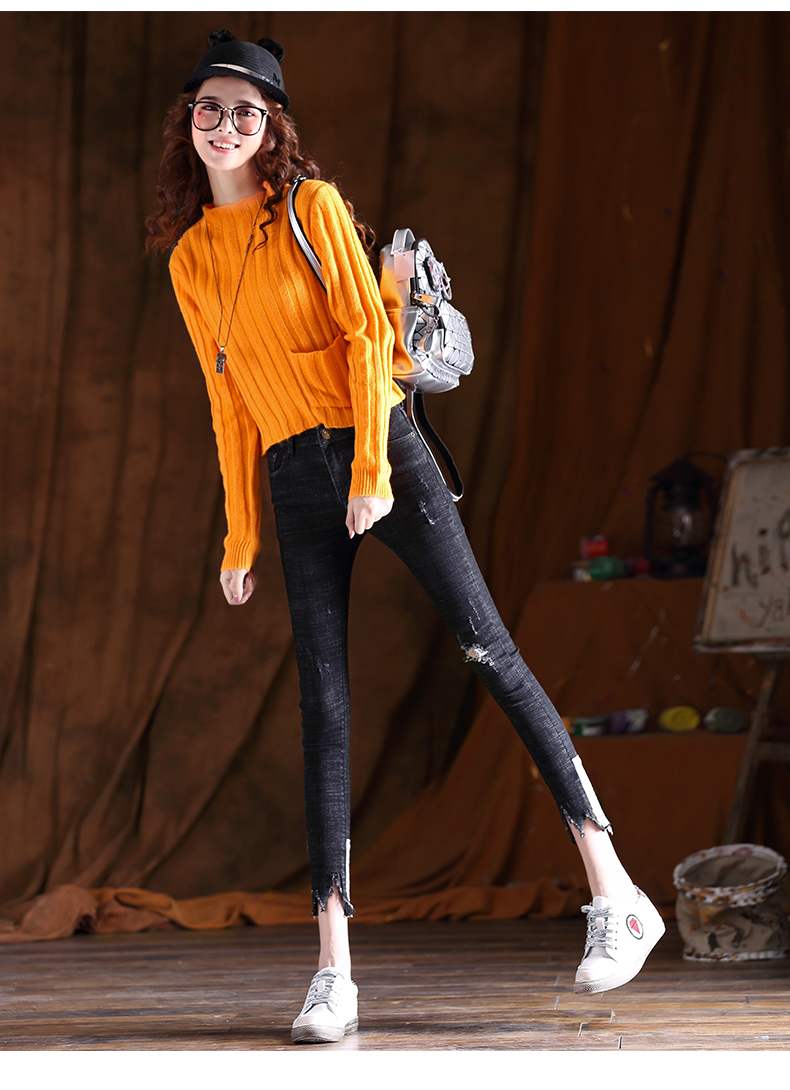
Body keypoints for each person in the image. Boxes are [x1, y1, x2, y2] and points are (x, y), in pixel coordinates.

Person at [146, 30, 665, 1045]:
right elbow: (226, 398)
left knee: (490, 653)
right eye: (210, 108)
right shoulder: (190, 258)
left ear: (271, 127)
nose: (226, 126)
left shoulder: (312, 208)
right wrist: (239, 535)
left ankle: (617, 891)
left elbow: (366, 338)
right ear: (188, 122)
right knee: (323, 710)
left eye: (246, 112)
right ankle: (332, 973)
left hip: (379, 446)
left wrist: (372, 476)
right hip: (293, 475)